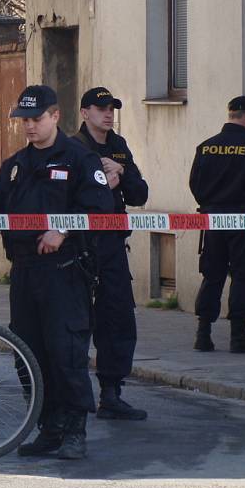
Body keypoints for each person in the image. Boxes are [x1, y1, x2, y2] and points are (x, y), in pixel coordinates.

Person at [0, 85, 113, 459]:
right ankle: (49, 427)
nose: (29, 127)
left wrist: (62, 230)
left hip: (64, 272)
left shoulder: (79, 158)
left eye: (36, 119)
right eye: (25, 120)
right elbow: (0, 209)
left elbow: (99, 211)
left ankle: (74, 429)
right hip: (25, 271)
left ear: (54, 117)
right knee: (28, 353)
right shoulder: (16, 165)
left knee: (66, 351)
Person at [74, 87, 149, 420]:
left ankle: (111, 391)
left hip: (113, 244)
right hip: (80, 245)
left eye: (112, 108)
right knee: (75, 319)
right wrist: (103, 183)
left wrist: (122, 176)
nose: (108, 113)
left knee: (117, 315)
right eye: (101, 108)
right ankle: (72, 392)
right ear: (84, 112)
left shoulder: (118, 146)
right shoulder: (73, 147)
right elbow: (70, 196)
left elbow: (140, 193)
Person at [189, 96, 245, 353]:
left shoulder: (205, 147)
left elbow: (196, 185)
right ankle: (238, 336)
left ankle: (203, 334)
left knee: (212, 275)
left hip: (212, 220)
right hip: (243, 221)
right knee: (243, 276)